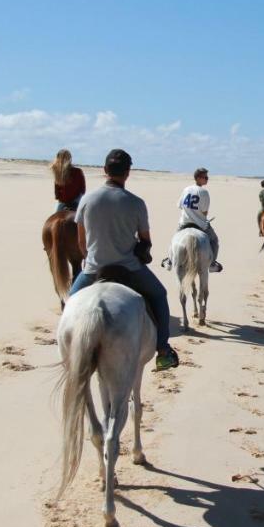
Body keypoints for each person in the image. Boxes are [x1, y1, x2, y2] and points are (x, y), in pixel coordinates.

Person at [68, 149, 179, 371]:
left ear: (105, 171)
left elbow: (82, 242)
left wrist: (93, 259)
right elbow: (146, 240)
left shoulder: (87, 200)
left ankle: (69, 350)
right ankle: (163, 350)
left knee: (71, 304)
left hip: (93, 269)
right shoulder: (136, 203)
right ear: (127, 173)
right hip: (129, 268)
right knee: (159, 295)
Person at [163, 167, 223, 273]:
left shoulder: (186, 189)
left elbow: (180, 205)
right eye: (205, 177)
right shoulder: (204, 192)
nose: (207, 179)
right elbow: (205, 212)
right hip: (200, 224)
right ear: (199, 178)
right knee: (214, 240)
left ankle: (169, 261)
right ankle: (212, 264)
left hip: (184, 223)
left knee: (174, 240)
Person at [50, 149, 86, 213]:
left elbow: (57, 190)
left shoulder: (57, 172)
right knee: (83, 219)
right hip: (76, 200)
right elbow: (83, 189)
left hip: (63, 201)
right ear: (70, 159)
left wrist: (58, 197)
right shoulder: (78, 171)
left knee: (54, 217)